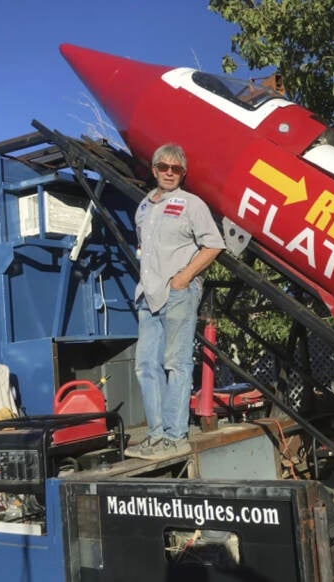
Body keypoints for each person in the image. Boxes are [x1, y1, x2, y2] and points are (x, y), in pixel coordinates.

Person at [126, 143, 225, 459]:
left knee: (176, 364)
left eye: (176, 169)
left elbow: (213, 245)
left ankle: (175, 436)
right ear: (153, 169)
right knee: (145, 366)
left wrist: (183, 278)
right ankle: (155, 436)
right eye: (163, 167)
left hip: (178, 293)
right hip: (148, 295)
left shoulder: (191, 204)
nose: (169, 173)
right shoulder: (142, 207)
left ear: (183, 173)